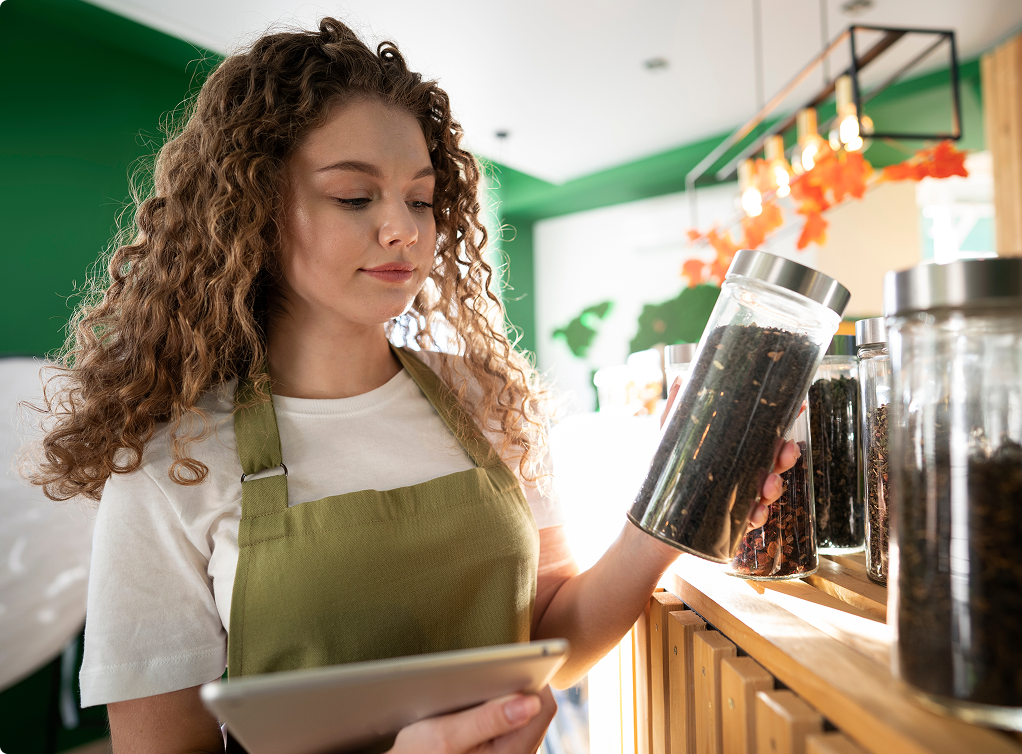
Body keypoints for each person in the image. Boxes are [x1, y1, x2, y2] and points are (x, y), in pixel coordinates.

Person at [25, 18, 796, 753]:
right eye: (355, 196)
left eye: (421, 199)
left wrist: (673, 514)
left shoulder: (484, 398)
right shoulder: (173, 462)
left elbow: (548, 642)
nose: (405, 229)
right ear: (253, 211)